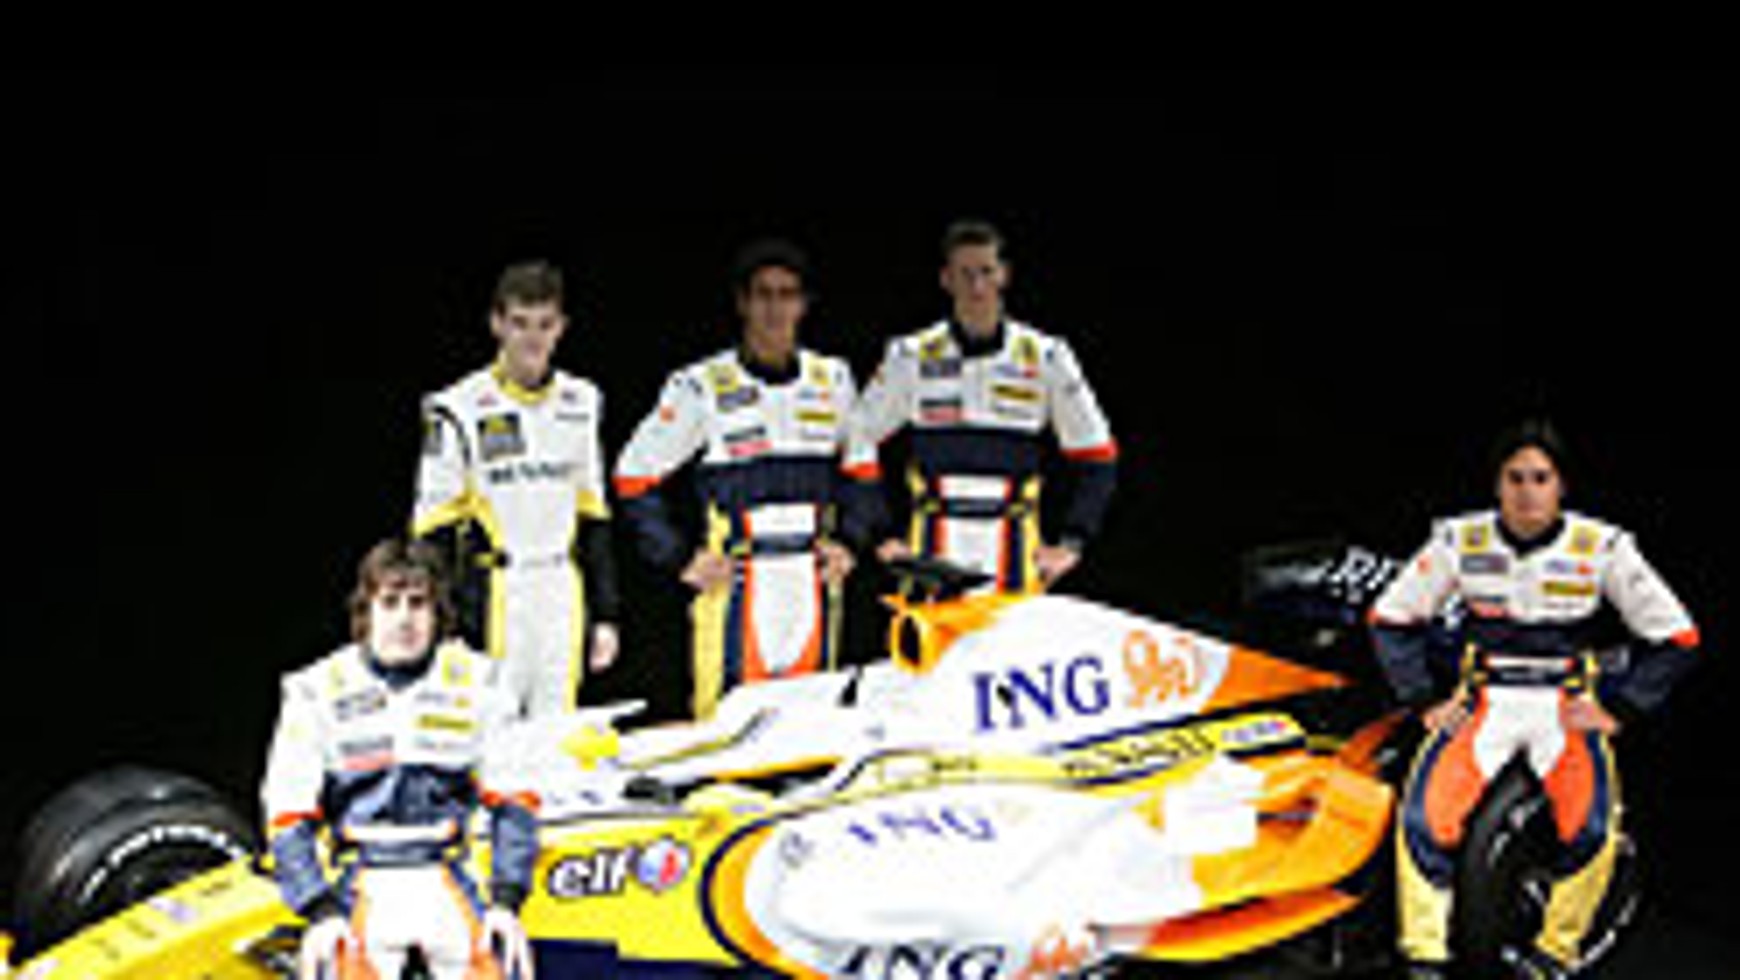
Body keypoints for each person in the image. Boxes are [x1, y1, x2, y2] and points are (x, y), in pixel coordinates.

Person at [1369, 420, 1701, 978]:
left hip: (1563, 705)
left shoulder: (1603, 546)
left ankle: (1554, 954)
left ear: (1561, 486)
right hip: (1484, 698)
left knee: (1592, 829)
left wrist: (1623, 708)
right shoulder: (1459, 539)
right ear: (1497, 485)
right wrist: (1422, 698)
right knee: (1424, 819)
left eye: (1541, 478)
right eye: (1515, 478)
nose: (1527, 492)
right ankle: (1424, 958)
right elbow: (1390, 617)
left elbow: (1678, 635)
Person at [261, 538, 537, 980]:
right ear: (366, 611)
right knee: (331, 960)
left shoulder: (482, 682)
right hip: (357, 877)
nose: (405, 619)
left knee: (504, 959)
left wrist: (506, 900)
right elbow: (286, 811)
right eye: (390, 603)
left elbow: (516, 800)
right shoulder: (317, 690)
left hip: (450, 872)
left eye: (419, 603)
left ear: (438, 614)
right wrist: (318, 908)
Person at [613, 239, 858, 719]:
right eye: (763, 294)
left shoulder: (832, 379)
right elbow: (633, 476)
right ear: (743, 303)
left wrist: (851, 540)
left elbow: (862, 471)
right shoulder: (701, 385)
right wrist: (678, 556)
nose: (775, 308)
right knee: (728, 731)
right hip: (739, 583)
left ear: (804, 304)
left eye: (787, 294)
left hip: (811, 581)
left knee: (812, 725)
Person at [843, 219, 1118, 593]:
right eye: (965, 274)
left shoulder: (1046, 356)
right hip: (932, 551)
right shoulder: (911, 356)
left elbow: (1098, 455)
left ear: (1004, 275)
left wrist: (1073, 542)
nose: (976, 286)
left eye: (986, 272)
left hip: (1016, 552)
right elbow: (856, 438)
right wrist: (880, 533)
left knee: (1017, 635)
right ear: (946, 279)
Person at [413, 259, 621, 718]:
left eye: (545, 324)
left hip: (561, 592)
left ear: (561, 327)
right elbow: (433, 530)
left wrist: (606, 614)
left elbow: (593, 516)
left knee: (557, 730)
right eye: (520, 323)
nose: (533, 338)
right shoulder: (456, 407)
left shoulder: (583, 401)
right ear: (497, 324)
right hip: (495, 594)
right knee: (493, 729)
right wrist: (442, 623)